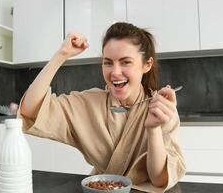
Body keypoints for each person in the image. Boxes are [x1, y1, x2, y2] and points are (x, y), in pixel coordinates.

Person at [17, 22, 186, 192]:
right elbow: (30, 110)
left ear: (147, 65)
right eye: (108, 63)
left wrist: (153, 129)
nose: (115, 72)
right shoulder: (89, 104)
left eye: (126, 62)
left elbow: (159, 180)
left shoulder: (161, 110)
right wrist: (61, 55)